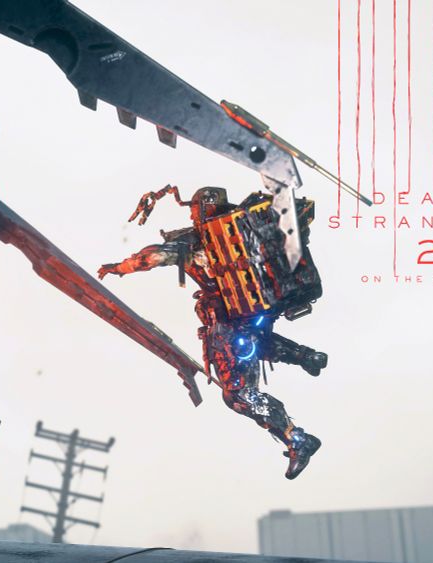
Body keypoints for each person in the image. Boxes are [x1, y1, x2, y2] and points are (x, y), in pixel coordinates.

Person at [98, 185, 327, 479]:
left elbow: (152, 258)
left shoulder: (197, 241)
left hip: (226, 321)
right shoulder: (248, 231)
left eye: (194, 210)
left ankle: (297, 440)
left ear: (200, 210)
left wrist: (119, 268)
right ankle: (306, 356)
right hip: (259, 312)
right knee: (255, 341)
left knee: (239, 394)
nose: (192, 216)